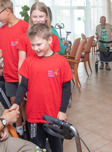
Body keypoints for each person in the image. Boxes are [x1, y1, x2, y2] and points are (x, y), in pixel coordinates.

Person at [10, 23, 73, 152]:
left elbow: (67, 88)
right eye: (32, 45)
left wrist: (62, 111)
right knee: (36, 148)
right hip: (33, 116)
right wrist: (16, 103)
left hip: (54, 116)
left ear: (50, 40)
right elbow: (23, 85)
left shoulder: (61, 62)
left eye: (39, 44)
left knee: (57, 148)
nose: (35, 48)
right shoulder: (28, 61)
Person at [0, 0, 29, 137]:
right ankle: (19, 131)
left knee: (27, 105)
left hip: (24, 75)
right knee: (15, 106)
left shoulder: (24, 26)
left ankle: (30, 129)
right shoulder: (1, 30)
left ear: (7, 10)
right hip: (10, 75)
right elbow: (1, 51)